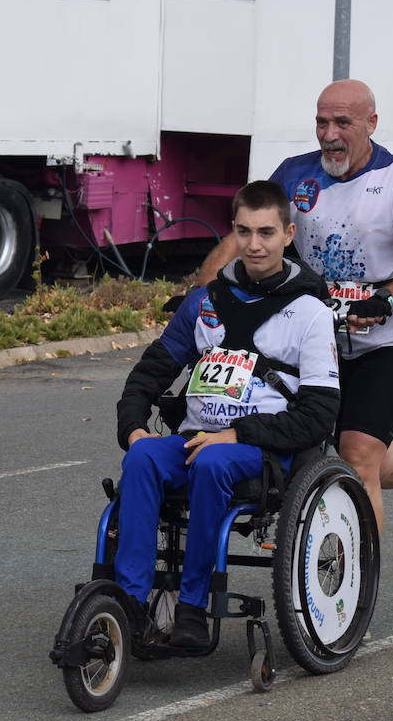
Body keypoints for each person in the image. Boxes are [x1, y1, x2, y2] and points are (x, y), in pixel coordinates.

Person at [195, 79, 393, 548]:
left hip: (386, 345)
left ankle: (356, 585)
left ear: (371, 124)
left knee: (358, 455)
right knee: (320, 454)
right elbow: (243, 234)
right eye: (321, 122)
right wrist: (201, 293)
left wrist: (385, 300)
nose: (329, 134)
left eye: (342, 123)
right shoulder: (295, 173)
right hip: (315, 341)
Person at [115, 180, 340, 648]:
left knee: (212, 461)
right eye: (244, 232)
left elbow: (319, 416)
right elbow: (149, 374)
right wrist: (134, 427)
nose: (254, 245)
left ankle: (192, 609)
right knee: (141, 458)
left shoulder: (311, 314)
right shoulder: (203, 302)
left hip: (260, 450)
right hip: (197, 437)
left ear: (288, 235)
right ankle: (129, 605)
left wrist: (236, 435)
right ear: (233, 231)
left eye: (266, 233)